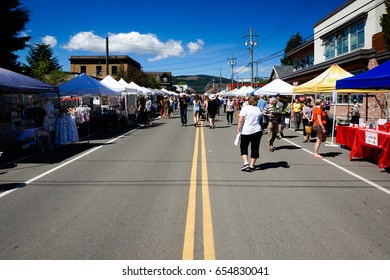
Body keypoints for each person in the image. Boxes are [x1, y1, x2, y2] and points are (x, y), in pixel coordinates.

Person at [237, 95, 262, 172]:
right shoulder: (259, 109)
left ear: (248, 101)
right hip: (257, 130)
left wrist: (238, 129)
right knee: (255, 148)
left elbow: (241, 121)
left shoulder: (244, 109)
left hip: (246, 131)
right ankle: (252, 165)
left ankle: (246, 163)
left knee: (244, 147)